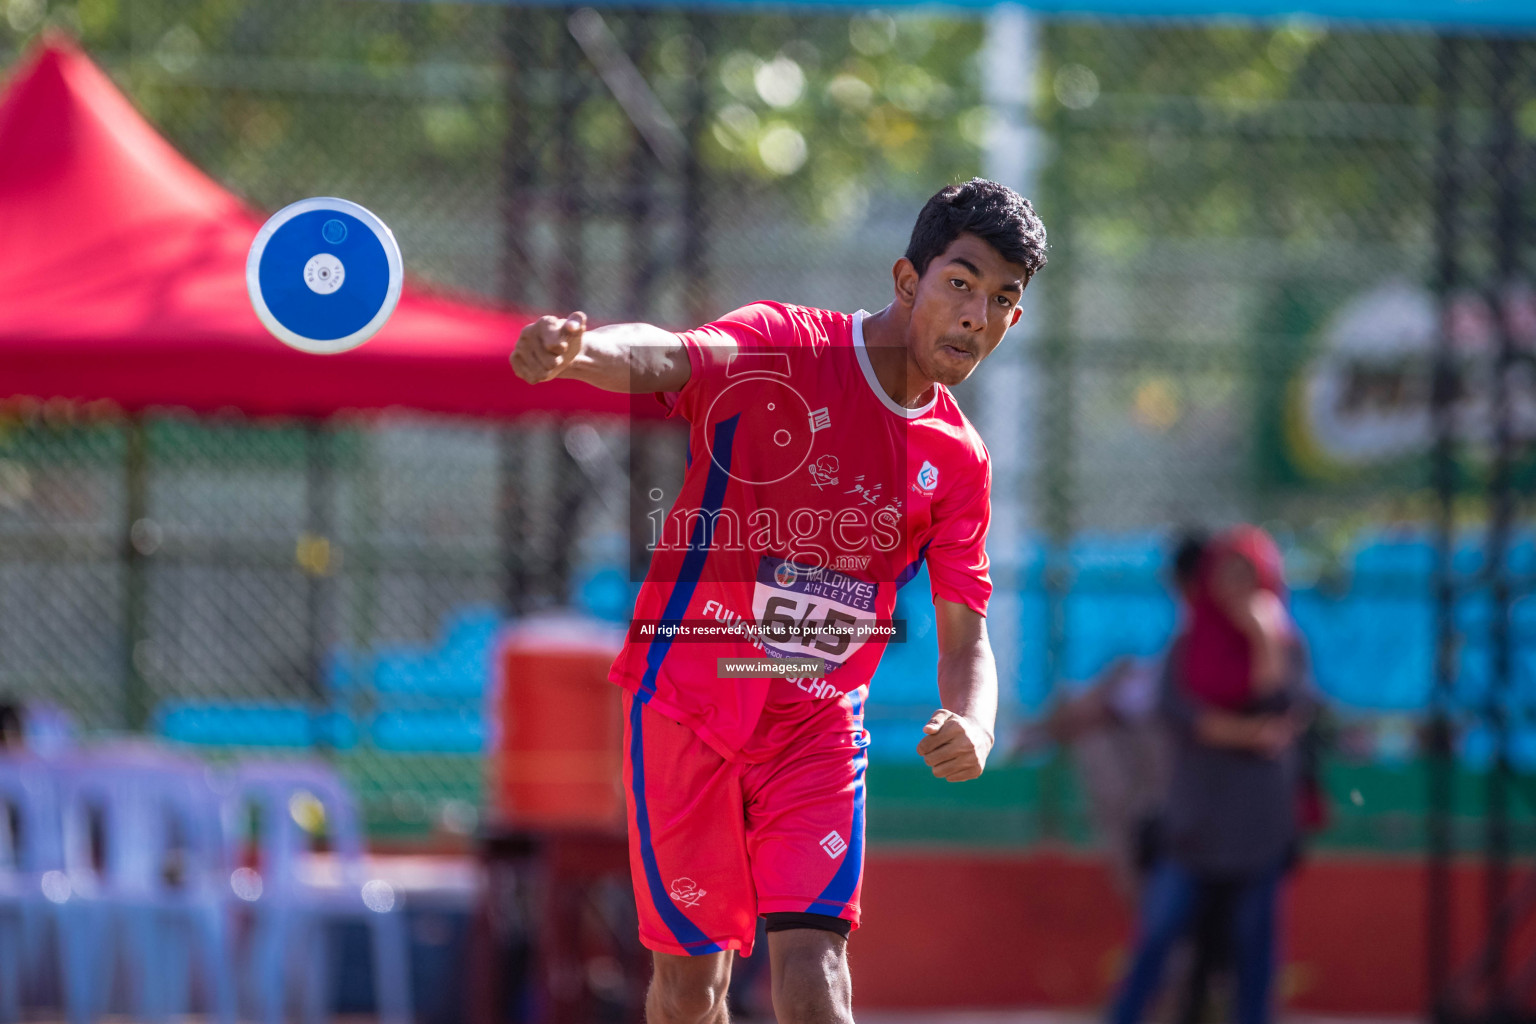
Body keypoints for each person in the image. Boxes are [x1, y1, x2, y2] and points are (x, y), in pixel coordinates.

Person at [511, 179, 1048, 1024]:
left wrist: (976, 723)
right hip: (686, 707)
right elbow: (666, 356)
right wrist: (579, 352)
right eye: (962, 282)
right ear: (908, 281)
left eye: (1003, 299)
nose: (978, 314)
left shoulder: (961, 462)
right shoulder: (782, 348)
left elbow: (965, 639)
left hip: (818, 731)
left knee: (814, 980)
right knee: (691, 992)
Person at [1109, 525, 1314, 1024]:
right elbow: (1183, 716)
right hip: (1194, 823)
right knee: (1158, 934)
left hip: (1258, 826)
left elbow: (1282, 714)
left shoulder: (1287, 647)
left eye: (1248, 578)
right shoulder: (1188, 646)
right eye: (1225, 577)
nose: (1235, 590)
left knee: (1253, 950)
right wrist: (1246, 734)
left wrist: (1264, 638)